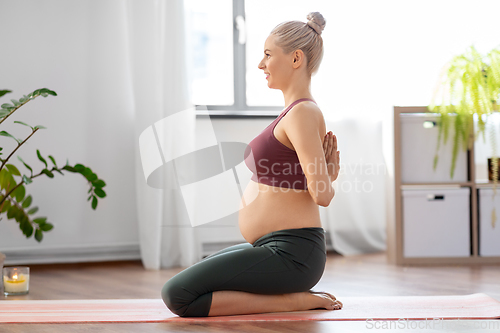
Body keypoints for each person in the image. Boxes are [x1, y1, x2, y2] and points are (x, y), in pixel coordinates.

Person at [161, 12, 342, 317]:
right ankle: (291, 295)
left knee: (178, 294)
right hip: (274, 247)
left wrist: (329, 175)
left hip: (292, 253)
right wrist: (328, 175)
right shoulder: (295, 113)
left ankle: (294, 300)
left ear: (296, 58)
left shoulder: (302, 113)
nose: (261, 64)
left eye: (268, 55)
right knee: (193, 283)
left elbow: (321, 195)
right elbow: (313, 183)